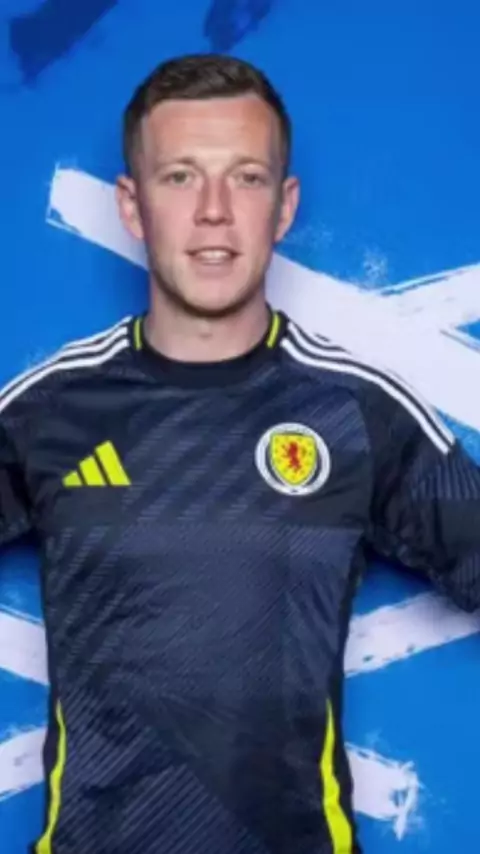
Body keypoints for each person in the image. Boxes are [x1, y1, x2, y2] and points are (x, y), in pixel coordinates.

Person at [1, 53, 479, 854]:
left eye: (246, 178)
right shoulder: (50, 409)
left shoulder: (355, 411)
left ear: (283, 208)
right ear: (132, 206)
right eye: (180, 177)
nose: (214, 211)